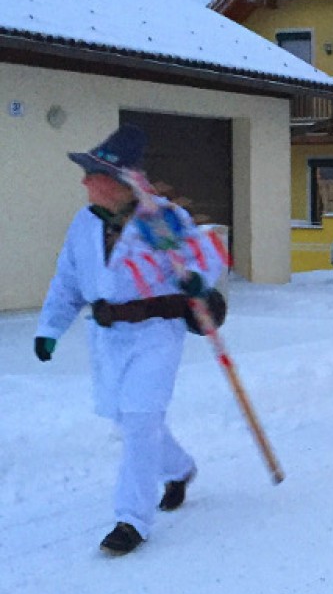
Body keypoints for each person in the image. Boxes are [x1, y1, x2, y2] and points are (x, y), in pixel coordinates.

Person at [34, 125, 225, 555]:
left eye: (92, 174)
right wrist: (50, 328)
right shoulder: (84, 224)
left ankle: (131, 520)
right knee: (132, 421)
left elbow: (204, 256)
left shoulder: (159, 219)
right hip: (108, 338)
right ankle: (180, 470)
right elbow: (67, 282)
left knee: (140, 419)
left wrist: (197, 277)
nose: (84, 182)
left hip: (155, 333)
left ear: (118, 181)